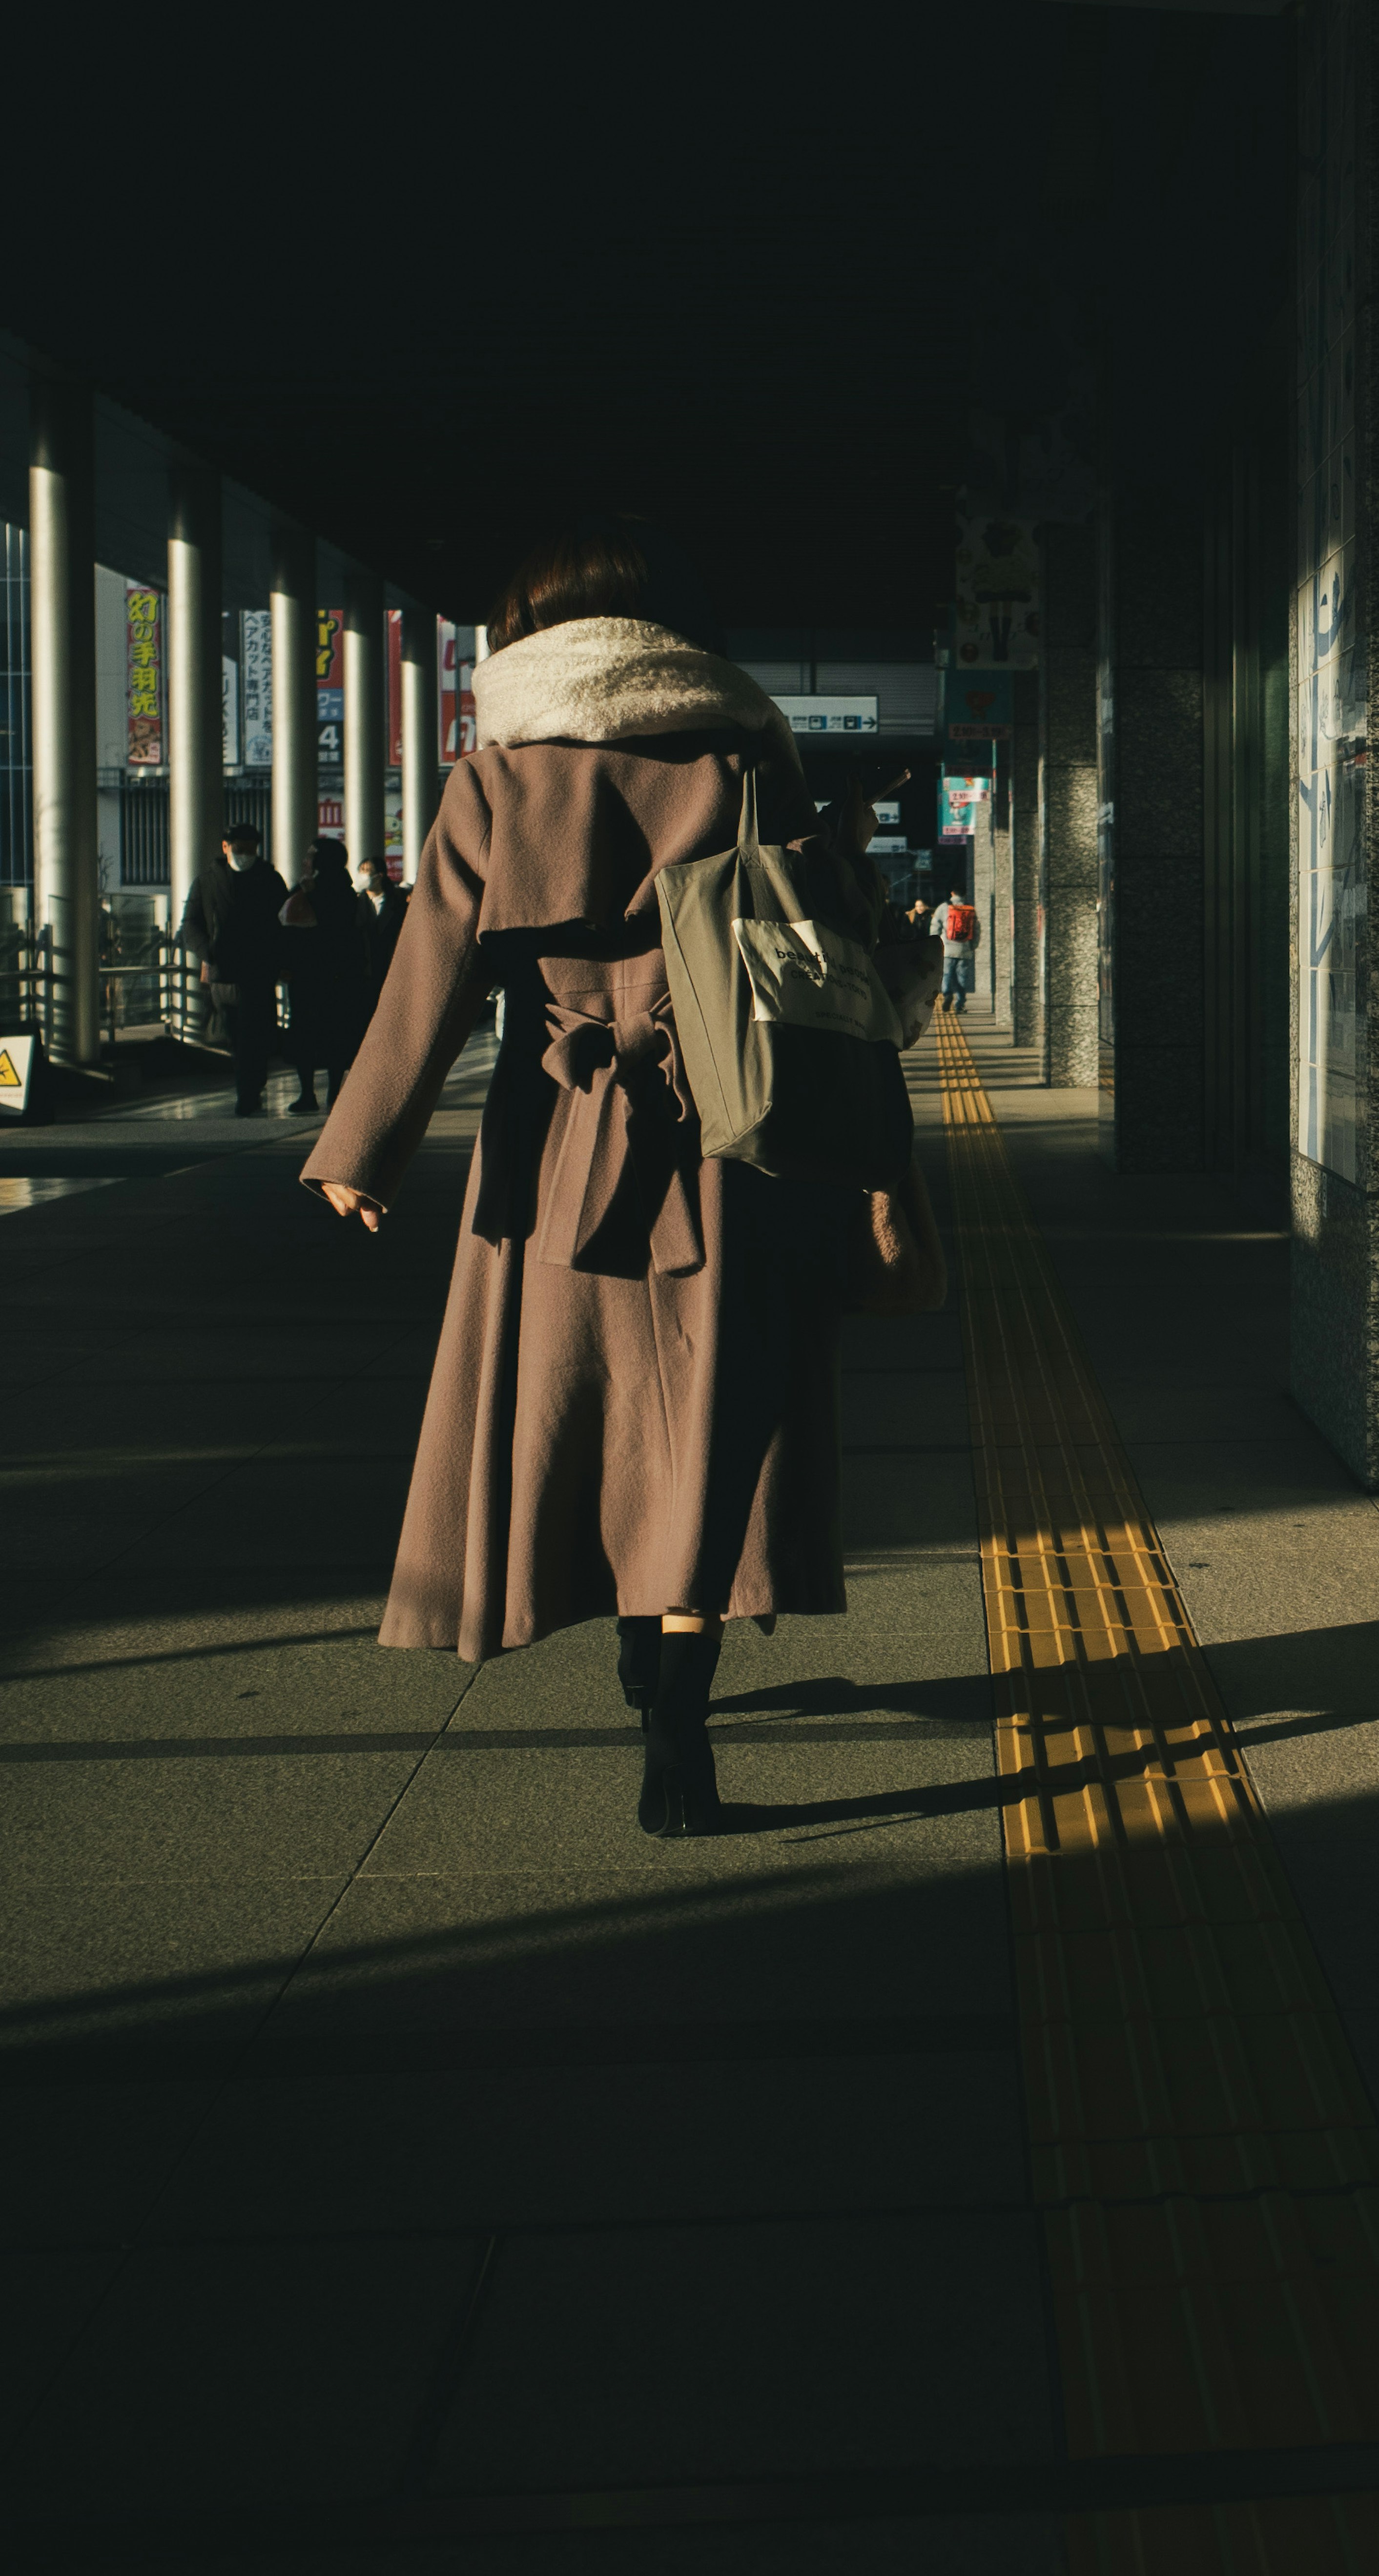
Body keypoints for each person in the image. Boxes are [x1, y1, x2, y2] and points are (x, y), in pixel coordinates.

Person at [302, 511, 894, 1838]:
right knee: (709, 1417)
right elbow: (820, 935)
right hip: (728, 1133)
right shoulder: (743, 745)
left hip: (555, 1136)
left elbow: (431, 973)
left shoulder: (497, 770)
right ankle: (677, 1717)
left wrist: (363, 1148)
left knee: (579, 1404)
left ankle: (630, 1646)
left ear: (529, 629)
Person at [176, 820, 289, 1114]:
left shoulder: (271, 879)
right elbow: (191, 922)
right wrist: (209, 953)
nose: (245, 855)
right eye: (239, 849)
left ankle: (250, 1087)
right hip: (224, 971)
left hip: (259, 971)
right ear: (225, 848)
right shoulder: (208, 881)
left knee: (254, 1032)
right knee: (237, 1033)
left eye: (251, 849)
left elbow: (283, 924)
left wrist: (278, 959)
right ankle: (249, 1087)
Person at [280, 838, 371, 1114]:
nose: (306, 861)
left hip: (314, 976)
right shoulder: (347, 891)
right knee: (335, 1035)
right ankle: (332, 1092)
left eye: (311, 856)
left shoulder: (319, 891)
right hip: (338, 977)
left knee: (310, 1035)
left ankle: (309, 1094)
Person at [354, 854, 409, 1010]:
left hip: (390, 970)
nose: (361, 875)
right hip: (363, 971)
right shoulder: (356, 903)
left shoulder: (398, 904)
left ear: (379, 876)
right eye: (360, 871)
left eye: (366, 871)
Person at [935, 889, 979, 1011]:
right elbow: (977, 929)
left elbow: (935, 926)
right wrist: (973, 946)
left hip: (948, 949)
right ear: (964, 894)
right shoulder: (970, 908)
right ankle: (960, 1004)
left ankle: (948, 994)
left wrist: (936, 944)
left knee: (947, 974)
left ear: (952, 893)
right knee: (962, 977)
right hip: (964, 949)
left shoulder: (944, 907)